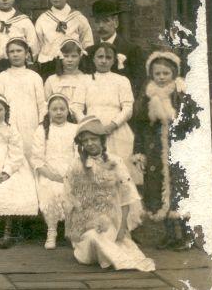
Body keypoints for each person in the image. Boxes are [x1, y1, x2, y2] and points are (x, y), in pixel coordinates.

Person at [63, 116, 154, 272]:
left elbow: (127, 196)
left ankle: (115, 258)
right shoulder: (76, 164)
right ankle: (99, 253)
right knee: (91, 238)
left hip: (110, 218)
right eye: (85, 141)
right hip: (85, 222)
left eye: (93, 139)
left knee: (102, 237)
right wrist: (79, 221)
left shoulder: (115, 161)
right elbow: (69, 195)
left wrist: (122, 228)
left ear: (102, 140)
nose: (89, 143)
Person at [133, 50, 200, 250]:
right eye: (157, 74)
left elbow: (191, 122)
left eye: (165, 74)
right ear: (151, 75)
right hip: (154, 149)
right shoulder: (148, 95)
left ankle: (186, 235)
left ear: (173, 74)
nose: (161, 78)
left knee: (178, 190)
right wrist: (139, 150)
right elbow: (141, 125)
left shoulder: (181, 94)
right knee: (157, 189)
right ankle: (169, 234)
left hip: (176, 150)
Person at [0, 94, 39, 249]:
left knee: (9, 190)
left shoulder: (11, 130)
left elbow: (17, 154)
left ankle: (7, 233)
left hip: (10, 168)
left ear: (6, 111)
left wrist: (6, 172)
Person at [30, 94, 78, 249]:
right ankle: (52, 231)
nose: (58, 112)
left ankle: (71, 231)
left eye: (62, 109)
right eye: (54, 109)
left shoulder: (75, 129)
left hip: (70, 172)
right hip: (48, 172)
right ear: (48, 111)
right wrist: (51, 175)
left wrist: (69, 175)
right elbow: (37, 158)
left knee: (71, 192)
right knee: (49, 191)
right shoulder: (42, 130)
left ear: (68, 111)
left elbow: (78, 155)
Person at [0, 37, 46, 158]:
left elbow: (41, 104)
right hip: (10, 123)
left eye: (19, 51)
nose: (15, 54)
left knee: (31, 153)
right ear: (7, 55)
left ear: (26, 54)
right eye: (12, 51)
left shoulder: (34, 77)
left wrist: (41, 125)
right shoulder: (1, 78)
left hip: (31, 123)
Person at [84, 42, 135, 171]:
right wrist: (90, 126)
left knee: (119, 170)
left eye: (108, 58)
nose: (104, 61)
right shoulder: (85, 80)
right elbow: (76, 107)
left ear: (114, 60)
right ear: (93, 59)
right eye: (100, 57)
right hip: (91, 130)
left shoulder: (122, 80)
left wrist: (112, 125)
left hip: (117, 130)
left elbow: (128, 108)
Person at [34, 0, 93, 80]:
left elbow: (87, 43)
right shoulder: (43, 19)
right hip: (49, 66)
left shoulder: (78, 18)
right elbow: (38, 45)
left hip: (73, 66)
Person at [89, 0, 145, 95]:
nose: (101, 26)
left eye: (106, 21)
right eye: (97, 22)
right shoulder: (90, 51)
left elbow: (138, 84)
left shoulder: (132, 50)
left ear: (116, 22)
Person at [44, 38, 89, 120]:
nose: (70, 60)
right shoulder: (52, 80)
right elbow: (46, 103)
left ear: (80, 57)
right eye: (66, 56)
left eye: (74, 56)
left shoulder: (86, 79)